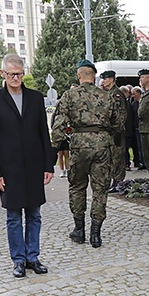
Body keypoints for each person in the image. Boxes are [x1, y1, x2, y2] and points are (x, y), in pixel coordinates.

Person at [0, 53, 54, 278]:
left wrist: (48, 165)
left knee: (35, 214)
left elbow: (44, 133)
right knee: (14, 217)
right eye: (12, 74)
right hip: (9, 169)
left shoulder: (35, 98)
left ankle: (33, 257)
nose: (16, 78)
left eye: (20, 74)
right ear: (2, 74)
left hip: (33, 166)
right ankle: (18, 260)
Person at [52, 59, 124, 248]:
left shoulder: (69, 95)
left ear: (79, 75)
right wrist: (110, 135)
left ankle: (79, 230)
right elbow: (118, 122)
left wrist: (54, 147)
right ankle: (96, 234)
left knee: (77, 186)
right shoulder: (107, 96)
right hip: (102, 145)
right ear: (94, 76)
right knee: (100, 189)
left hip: (79, 145)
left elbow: (59, 124)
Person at [100, 70, 128, 188]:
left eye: (106, 79)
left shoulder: (117, 94)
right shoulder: (109, 93)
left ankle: (118, 181)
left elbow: (122, 114)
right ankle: (114, 181)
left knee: (117, 157)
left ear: (111, 79)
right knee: (111, 157)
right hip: (110, 131)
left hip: (116, 131)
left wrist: (117, 129)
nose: (104, 81)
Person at [128, 86, 143, 169]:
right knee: (138, 147)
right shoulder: (133, 104)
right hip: (136, 127)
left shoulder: (142, 102)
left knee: (143, 146)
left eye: (134, 94)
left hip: (143, 127)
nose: (133, 96)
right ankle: (140, 161)